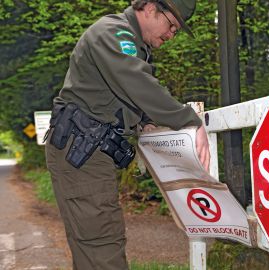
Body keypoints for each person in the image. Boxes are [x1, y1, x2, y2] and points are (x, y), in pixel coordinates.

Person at [45, 0, 210, 269]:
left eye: (176, 31)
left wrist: (143, 122)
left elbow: (117, 96)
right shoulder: (113, 32)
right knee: (102, 246)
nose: (171, 35)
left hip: (89, 152)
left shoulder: (133, 45)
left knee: (94, 246)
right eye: (171, 26)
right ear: (149, 8)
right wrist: (190, 121)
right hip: (83, 152)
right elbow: (136, 82)